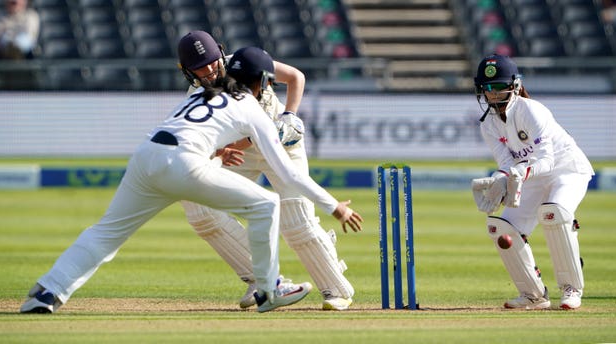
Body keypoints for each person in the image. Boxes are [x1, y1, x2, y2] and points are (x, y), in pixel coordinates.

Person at [19, 46, 363, 314]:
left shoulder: (204, 92)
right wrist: (335, 207)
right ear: (261, 83)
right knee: (267, 203)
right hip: (187, 163)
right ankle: (268, 288)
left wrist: (277, 122)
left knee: (106, 232)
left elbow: (195, 131)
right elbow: (287, 175)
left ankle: (48, 291)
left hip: (147, 157)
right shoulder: (249, 107)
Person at [176, 30, 358, 311]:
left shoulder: (247, 60)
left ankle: (336, 289)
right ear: (187, 70)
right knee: (199, 207)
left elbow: (295, 77)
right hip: (242, 153)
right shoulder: (197, 95)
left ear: (221, 53)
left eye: (212, 61)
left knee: (295, 221)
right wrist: (221, 150)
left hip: (283, 143)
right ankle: (262, 280)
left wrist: (290, 115)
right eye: (200, 67)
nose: (210, 70)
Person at [471, 54, 594, 310]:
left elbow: (546, 160)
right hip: (531, 176)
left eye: (498, 87)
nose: (493, 94)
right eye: (488, 88)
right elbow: (506, 163)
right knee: (500, 228)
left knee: (553, 213)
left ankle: (571, 289)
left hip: (567, 170)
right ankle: (533, 295)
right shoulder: (489, 124)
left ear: (514, 85)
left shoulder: (531, 110)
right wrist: (499, 180)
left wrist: (519, 174)